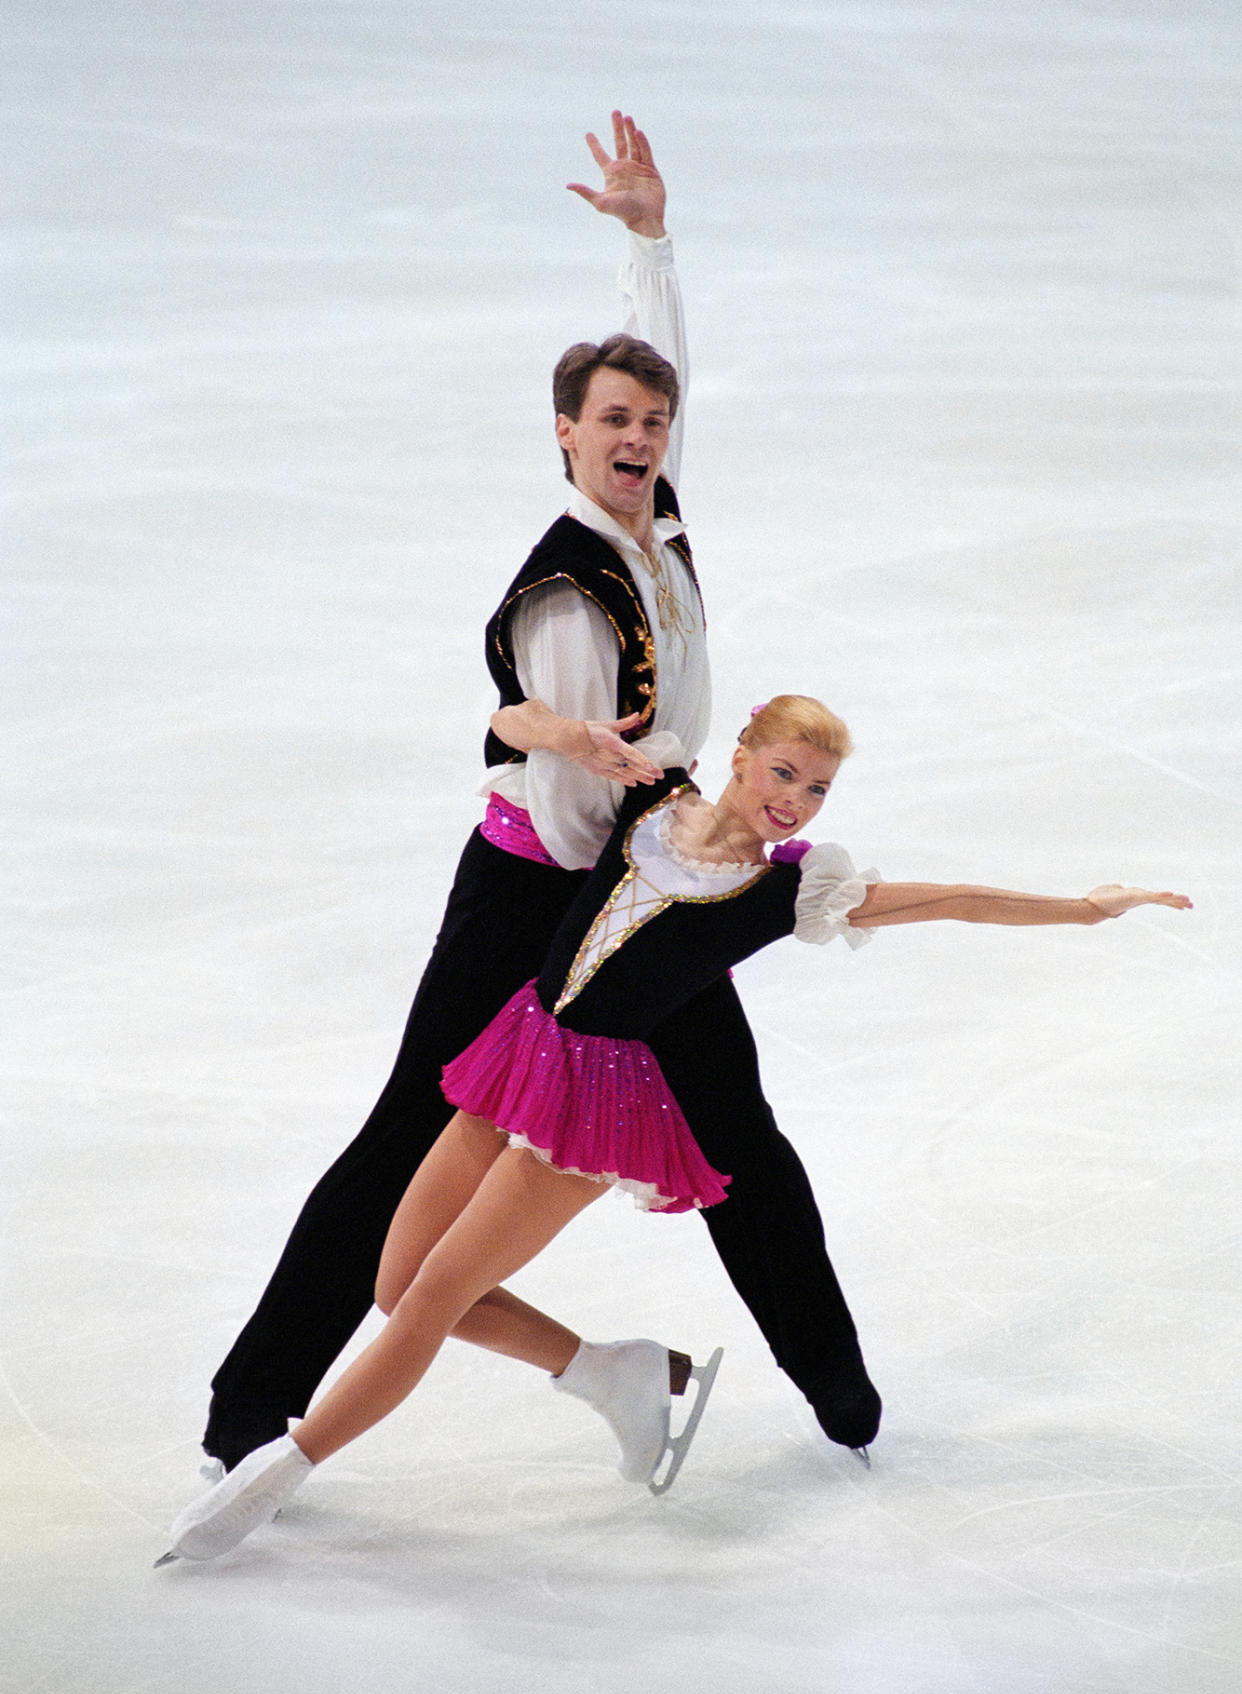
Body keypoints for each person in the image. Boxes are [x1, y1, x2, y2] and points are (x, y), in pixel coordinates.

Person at [200, 113, 884, 1486]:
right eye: (610, 423)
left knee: (738, 1137)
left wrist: (647, 241)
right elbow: (562, 784)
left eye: (650, 423)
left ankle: (843, 1397)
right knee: (407, 1135)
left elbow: (659, 370)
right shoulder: (570, 588)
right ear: (561, 438)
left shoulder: (656, 515)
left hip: (647, 877)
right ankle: (248, 1408)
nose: (637, 437)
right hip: (547, 892)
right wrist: (647, 870)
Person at [161, 694, 1191, 1563]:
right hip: (520, 1046)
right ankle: (620, 1371)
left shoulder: (786, 889)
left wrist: (1087, 907)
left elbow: (956, 897)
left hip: (592, 1105)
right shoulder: (653, 792)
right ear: (739, 755)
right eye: (782, 771)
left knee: (429, 1297)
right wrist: (560, 731)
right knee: (396, 1281)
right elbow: (507, 716)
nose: (793, 799)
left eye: (816, 789)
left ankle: (272, 1478)